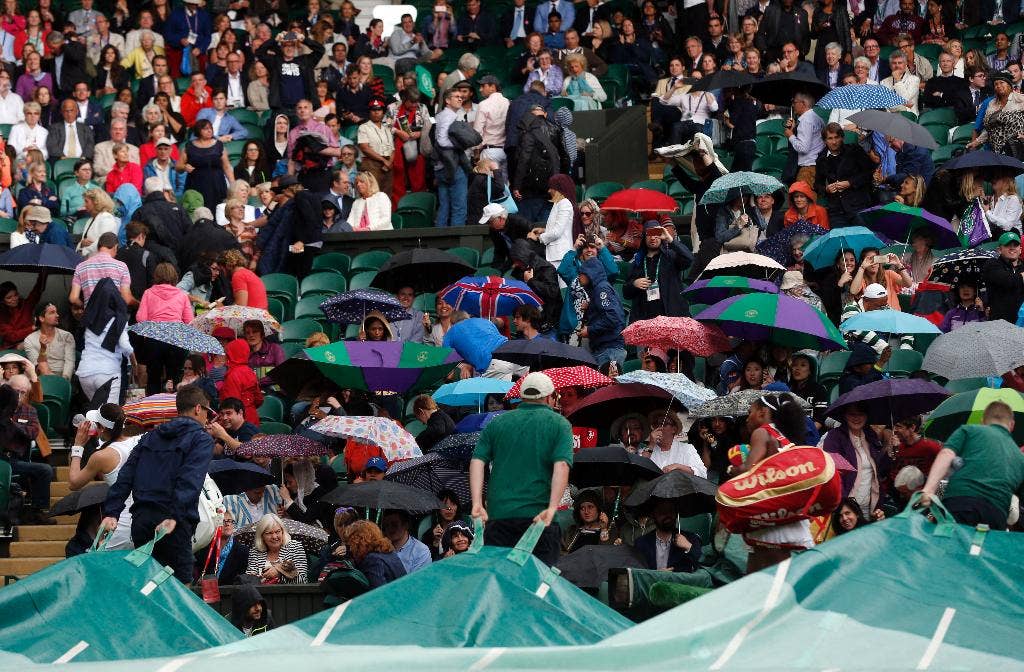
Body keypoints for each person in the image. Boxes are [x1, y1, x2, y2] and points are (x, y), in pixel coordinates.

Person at [101, 385, 215, 583]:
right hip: (172, 523)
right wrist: (176, 515)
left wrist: (112, 512)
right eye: (208, 411)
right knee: (180, 587)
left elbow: (125, 476)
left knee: (147, 584)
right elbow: (190, 480)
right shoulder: (201, 439)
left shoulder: (149, 437)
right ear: (198, 408)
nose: (208, 417)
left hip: (141, 521)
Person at [470, 372, 573, 566]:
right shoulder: (560, 424)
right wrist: (552, 508)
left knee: (502, 585)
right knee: (537, 588)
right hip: (540, 519)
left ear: (522, 396)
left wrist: (477, 503)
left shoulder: (497, 423)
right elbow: (561, 465)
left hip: (500, 518)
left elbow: (477, 460)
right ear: (550, 397)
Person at [921, 401, 1024, 530]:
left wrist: (929, 489)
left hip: (960, 503)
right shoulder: (1020, 456)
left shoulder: (969, 430)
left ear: (982, 421)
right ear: (1012, 425)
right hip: (995, 515)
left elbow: (946, 453)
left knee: (953, 547)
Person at [67, 403, 141, 549]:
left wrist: (78, 446)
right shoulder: (138, 440)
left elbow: (73, 483)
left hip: (121, 522)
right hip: (144, 518)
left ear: (102, 428)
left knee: (93, 565)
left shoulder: (101, 456)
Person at [0, 381, 53, 524]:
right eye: (15, 391)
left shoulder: (29, 410)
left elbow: (33, 433)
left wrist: (12, 423)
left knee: (44, 470)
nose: (18, 396)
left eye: (22, 392)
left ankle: (38, 512)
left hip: (14, 460)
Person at [76, 276, 134, 405]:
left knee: (96, 412)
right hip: (108, 372)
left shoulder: (89, 319)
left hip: (85, 373)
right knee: (109, 415)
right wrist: (134, 361)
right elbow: (125, 346)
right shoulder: (119, 319)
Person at [623, 220, 693, 322]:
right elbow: (626, 292)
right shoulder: (638, 262)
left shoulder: (671, 256)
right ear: (644, 237)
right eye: (649, 234)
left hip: (672, 317)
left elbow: (689, 258)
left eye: (656, 234)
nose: (652, 237)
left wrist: (671, 240)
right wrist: (634, 284)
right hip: (645, 319)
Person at [578, 257, 627, 369]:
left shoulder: (601, 289)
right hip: (605, 348)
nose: (579, 277)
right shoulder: (598, 289)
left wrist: (590, 330)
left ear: (589, 273)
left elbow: (613, 318)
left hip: (610, 349)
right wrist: (590, 308)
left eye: (581, 273)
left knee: (610, 386)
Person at [179, 119, 233, 213]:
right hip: (196, 185)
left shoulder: (219, 145)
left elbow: (227, 167)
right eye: (205, 129)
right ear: (198, 131)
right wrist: (184, 167)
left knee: (218, 212)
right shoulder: (189, 147)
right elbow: (178, 166)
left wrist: (233, 184)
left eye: (210, 128)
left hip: (217, 185)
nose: (209, 131)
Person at [633, 498, 702, 572]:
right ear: (653, 515)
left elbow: (700, 565)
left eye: (671, 511)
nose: (667, 515)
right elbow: (637, 571)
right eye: (662, 511)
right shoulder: (641, 543)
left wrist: (688, 546)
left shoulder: (691, 539)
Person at [244, 512, 308, 584]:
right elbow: (249, 581)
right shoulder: (255, 552)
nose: (274, 537)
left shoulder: (295, 547)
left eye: (277, 532)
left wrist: (280, 574)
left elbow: (302, 581)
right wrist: (256, 579)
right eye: (269, 533)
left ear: (282, 532)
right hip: (261, 594)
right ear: (262, 536)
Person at [344, 520, 407, 588]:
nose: (350, 548)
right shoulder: (389, 553)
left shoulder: (372, 560)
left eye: (351, 543)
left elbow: (378, 593)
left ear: (358, 542)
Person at [23, 301, 75, 380]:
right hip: (43, 379)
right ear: (42, 318)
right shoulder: (29, 340)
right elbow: (39, 368)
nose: (57, 315)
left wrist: (64, 380)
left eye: (56, 312)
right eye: (52, 313)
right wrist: (43, 348)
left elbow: (70, 362)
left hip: (65, 379)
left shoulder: (67, 336)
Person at [380, 509, 432, 574]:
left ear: (406, 525)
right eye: (386, 525)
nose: (390, 529)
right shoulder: (381, 548)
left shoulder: (421, 550)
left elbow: (418, 580)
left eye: (394, 524)